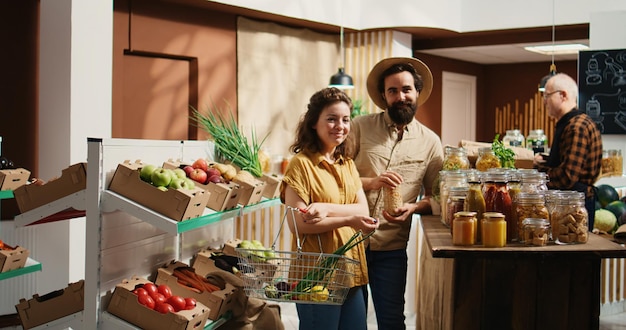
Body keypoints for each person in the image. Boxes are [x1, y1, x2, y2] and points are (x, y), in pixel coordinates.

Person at [350, 57, 444, 329]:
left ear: (417, 92)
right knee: (352, 322)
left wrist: (414, 208)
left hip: (391, 248)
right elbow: (336, 178)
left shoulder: (430, 142)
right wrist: (370, 182)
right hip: (348, 242)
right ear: (383, 96)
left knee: (392, 321)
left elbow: (438, 196)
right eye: (393, 91)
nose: (400, 96)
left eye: (406, 89)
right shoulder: (358, 127)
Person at [280, 87, 380, 330]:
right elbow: (299, 224)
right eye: (332, 119)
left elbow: (363, 210)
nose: (340, 126)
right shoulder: (300, 165)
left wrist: (325, 208)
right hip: (316, 276)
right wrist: (347, 220)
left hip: (351, 270)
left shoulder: (347, 163)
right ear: (314, 123)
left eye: (345, 120)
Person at [534, 72, 603, 230]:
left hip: (574, 208)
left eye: (547, 95)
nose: (544, 102)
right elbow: (565, 161)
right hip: (571, 203)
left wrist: (537, 172)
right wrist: (545, 160)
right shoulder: (572, 123)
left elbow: (567, 177)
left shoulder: (576, 127)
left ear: (562, 95)